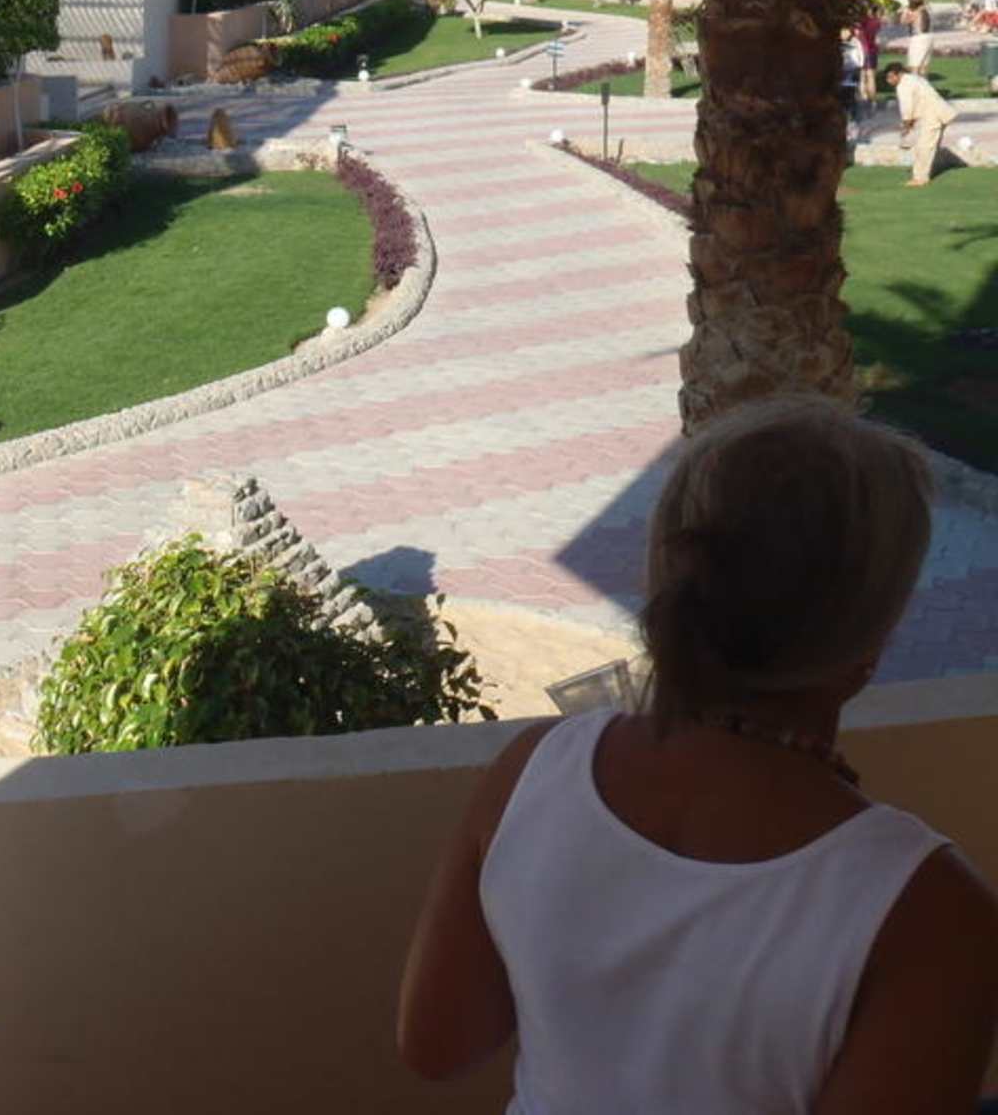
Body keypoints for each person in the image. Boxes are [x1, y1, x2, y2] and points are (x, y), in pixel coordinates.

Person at [397, 395, 998, 1113]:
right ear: (869, 641)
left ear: (670, 577)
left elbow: (438, 1045)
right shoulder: (932, 914)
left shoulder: (535, 769)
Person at [883, 60, 958, 187]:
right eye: (887, 78)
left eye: (891, 77)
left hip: (933, 113)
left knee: (924, 147)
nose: (889, 80)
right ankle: (923, 173)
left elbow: (907, 108)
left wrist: (906, 126)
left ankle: (920, 178)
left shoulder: (903, 85)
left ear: (899, 74)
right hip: (937, 111)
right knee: (927, 145)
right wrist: (909, 124)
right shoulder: (913, 78)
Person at [902, 0, 934, 77]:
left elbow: (904, 21)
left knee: (914, 66)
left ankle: (915, 83)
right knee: (924, 66)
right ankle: (924, 82)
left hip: (918, 38)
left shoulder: (916, 12)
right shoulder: (927, 9)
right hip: (929, 37)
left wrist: (905, 11)